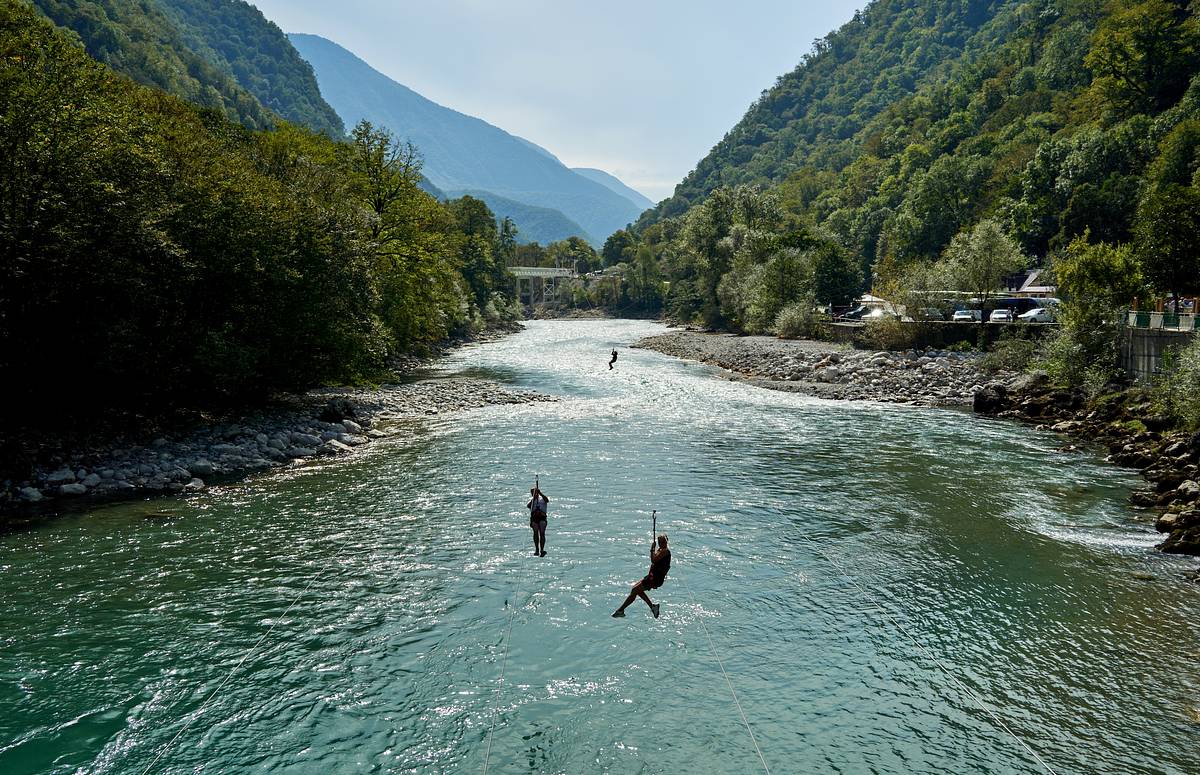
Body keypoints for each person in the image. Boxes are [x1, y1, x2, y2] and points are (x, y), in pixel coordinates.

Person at [612, 534, 670, 618]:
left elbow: (653, 560)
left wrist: (652, 548)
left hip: (655, 579)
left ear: (666, 541)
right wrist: (655, 549)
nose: (661, 543)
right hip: (652, 577)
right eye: (660, 542)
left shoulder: (665, 551)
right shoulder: (661, 550)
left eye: (663, 541)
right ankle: (653, 607)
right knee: (635, 590)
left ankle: (620, 610)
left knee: (635, 590)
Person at [527, 485, 549, 557]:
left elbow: (547, 500)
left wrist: (540, 494)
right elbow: (529, 506)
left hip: (542, 518)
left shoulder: (542, 499)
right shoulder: (532, 501)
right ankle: (537, 549)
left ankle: (542, 549)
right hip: (535, 518)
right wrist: (534, 498)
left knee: (542, 532)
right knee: (535, 532)